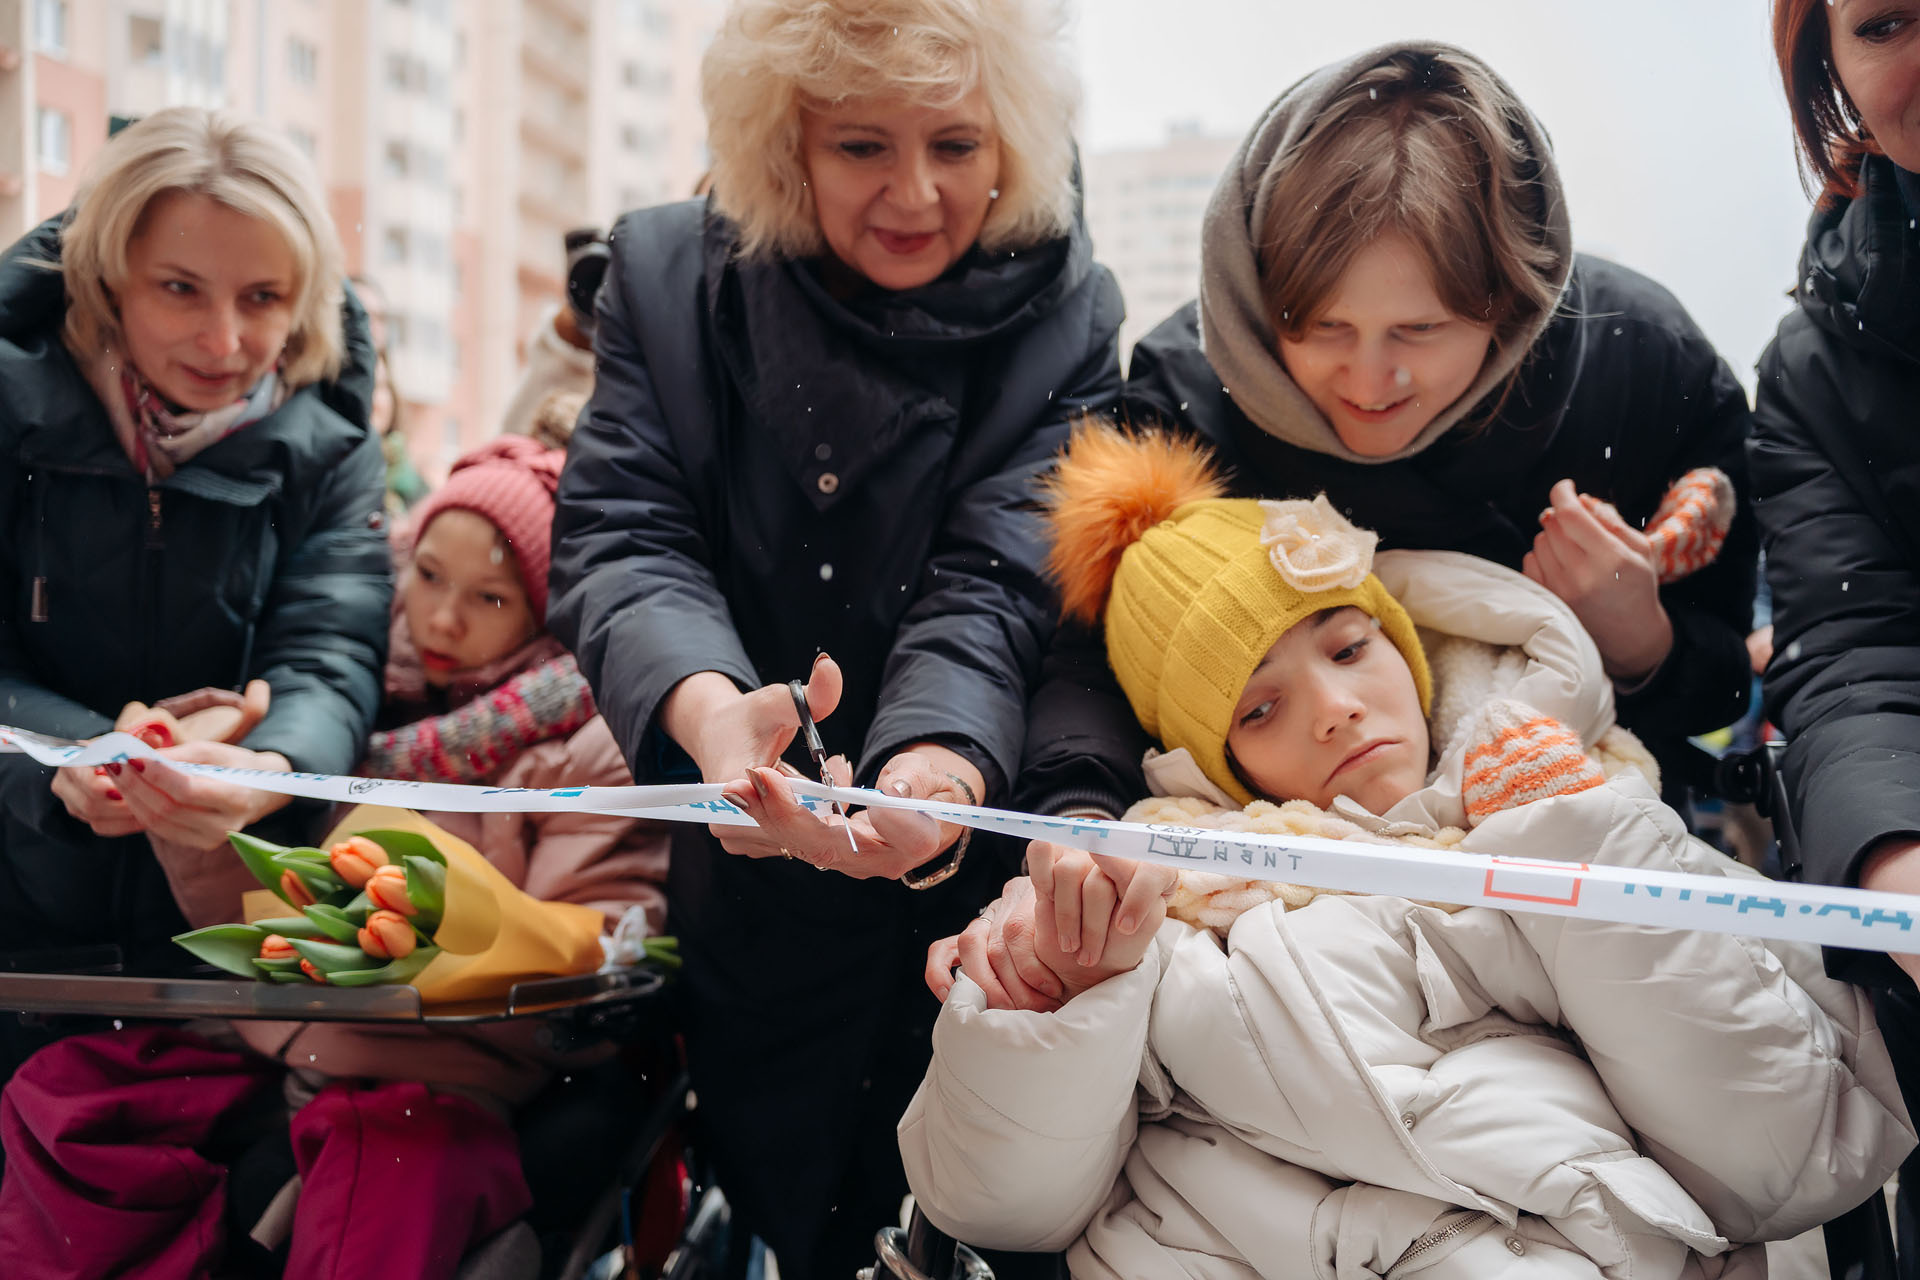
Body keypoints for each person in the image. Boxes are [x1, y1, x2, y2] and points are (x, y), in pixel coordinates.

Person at [901, 424, 1910, 1279]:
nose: (1337, 708)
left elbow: (1798, 1150)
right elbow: (995, 1200)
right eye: (1260, 707)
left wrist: (1569, 833)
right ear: (1217, 762)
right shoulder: (1156, 896)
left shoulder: (1591, 795)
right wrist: (1056, 1006)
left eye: (1349, 648)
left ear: (1408, 644)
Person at [544, 1, 1123, 1274]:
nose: (916, 192)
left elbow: (997, 575)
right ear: (784, 143)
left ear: (1017, 141)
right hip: (746, 854)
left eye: (957, 144)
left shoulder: (1069, 312)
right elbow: (625, 535)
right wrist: (708, 715)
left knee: (970, 1198)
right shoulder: (664, 280)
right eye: (863, 145)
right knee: (789, 1193)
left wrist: (932, 769)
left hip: (962, 869)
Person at [1023, 42, 1756, 830]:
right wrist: (1081, 819)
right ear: (1257, 297)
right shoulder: (1182, 407)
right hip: (1298, 872)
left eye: (1420, 329)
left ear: (1509, 303)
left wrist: (1644, 644)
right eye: (1324, 327)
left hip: (1588, 841)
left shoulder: (1644, 366)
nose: (1370, 383)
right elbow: (1090, 673)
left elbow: (1725, 685)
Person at [0, 437, 671, 1280]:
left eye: (490, 597)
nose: (441, 619)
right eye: (426, 576)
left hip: (447, 1075)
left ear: (545, 608)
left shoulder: (588, 747)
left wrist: (451, 934)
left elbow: (604, 951)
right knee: (64, 1096)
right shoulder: (341, 714)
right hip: (276, 1042)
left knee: (372, 1197)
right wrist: (183, 811)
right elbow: (242, 919)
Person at [0, 108, 390, 1004]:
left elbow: (331, 658)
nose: (225, 343)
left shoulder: (333, 448)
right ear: (108, 275)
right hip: (19, 934)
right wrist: (66, 758)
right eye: (180, 288)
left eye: (263, 298)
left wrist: (272, 771)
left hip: (235, 947)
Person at [1753, 0, 1920, 1268]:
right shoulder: (1816, 368)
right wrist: (1898, 871)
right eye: (1887, 21)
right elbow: (1853, 655)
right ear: (1832, 76)